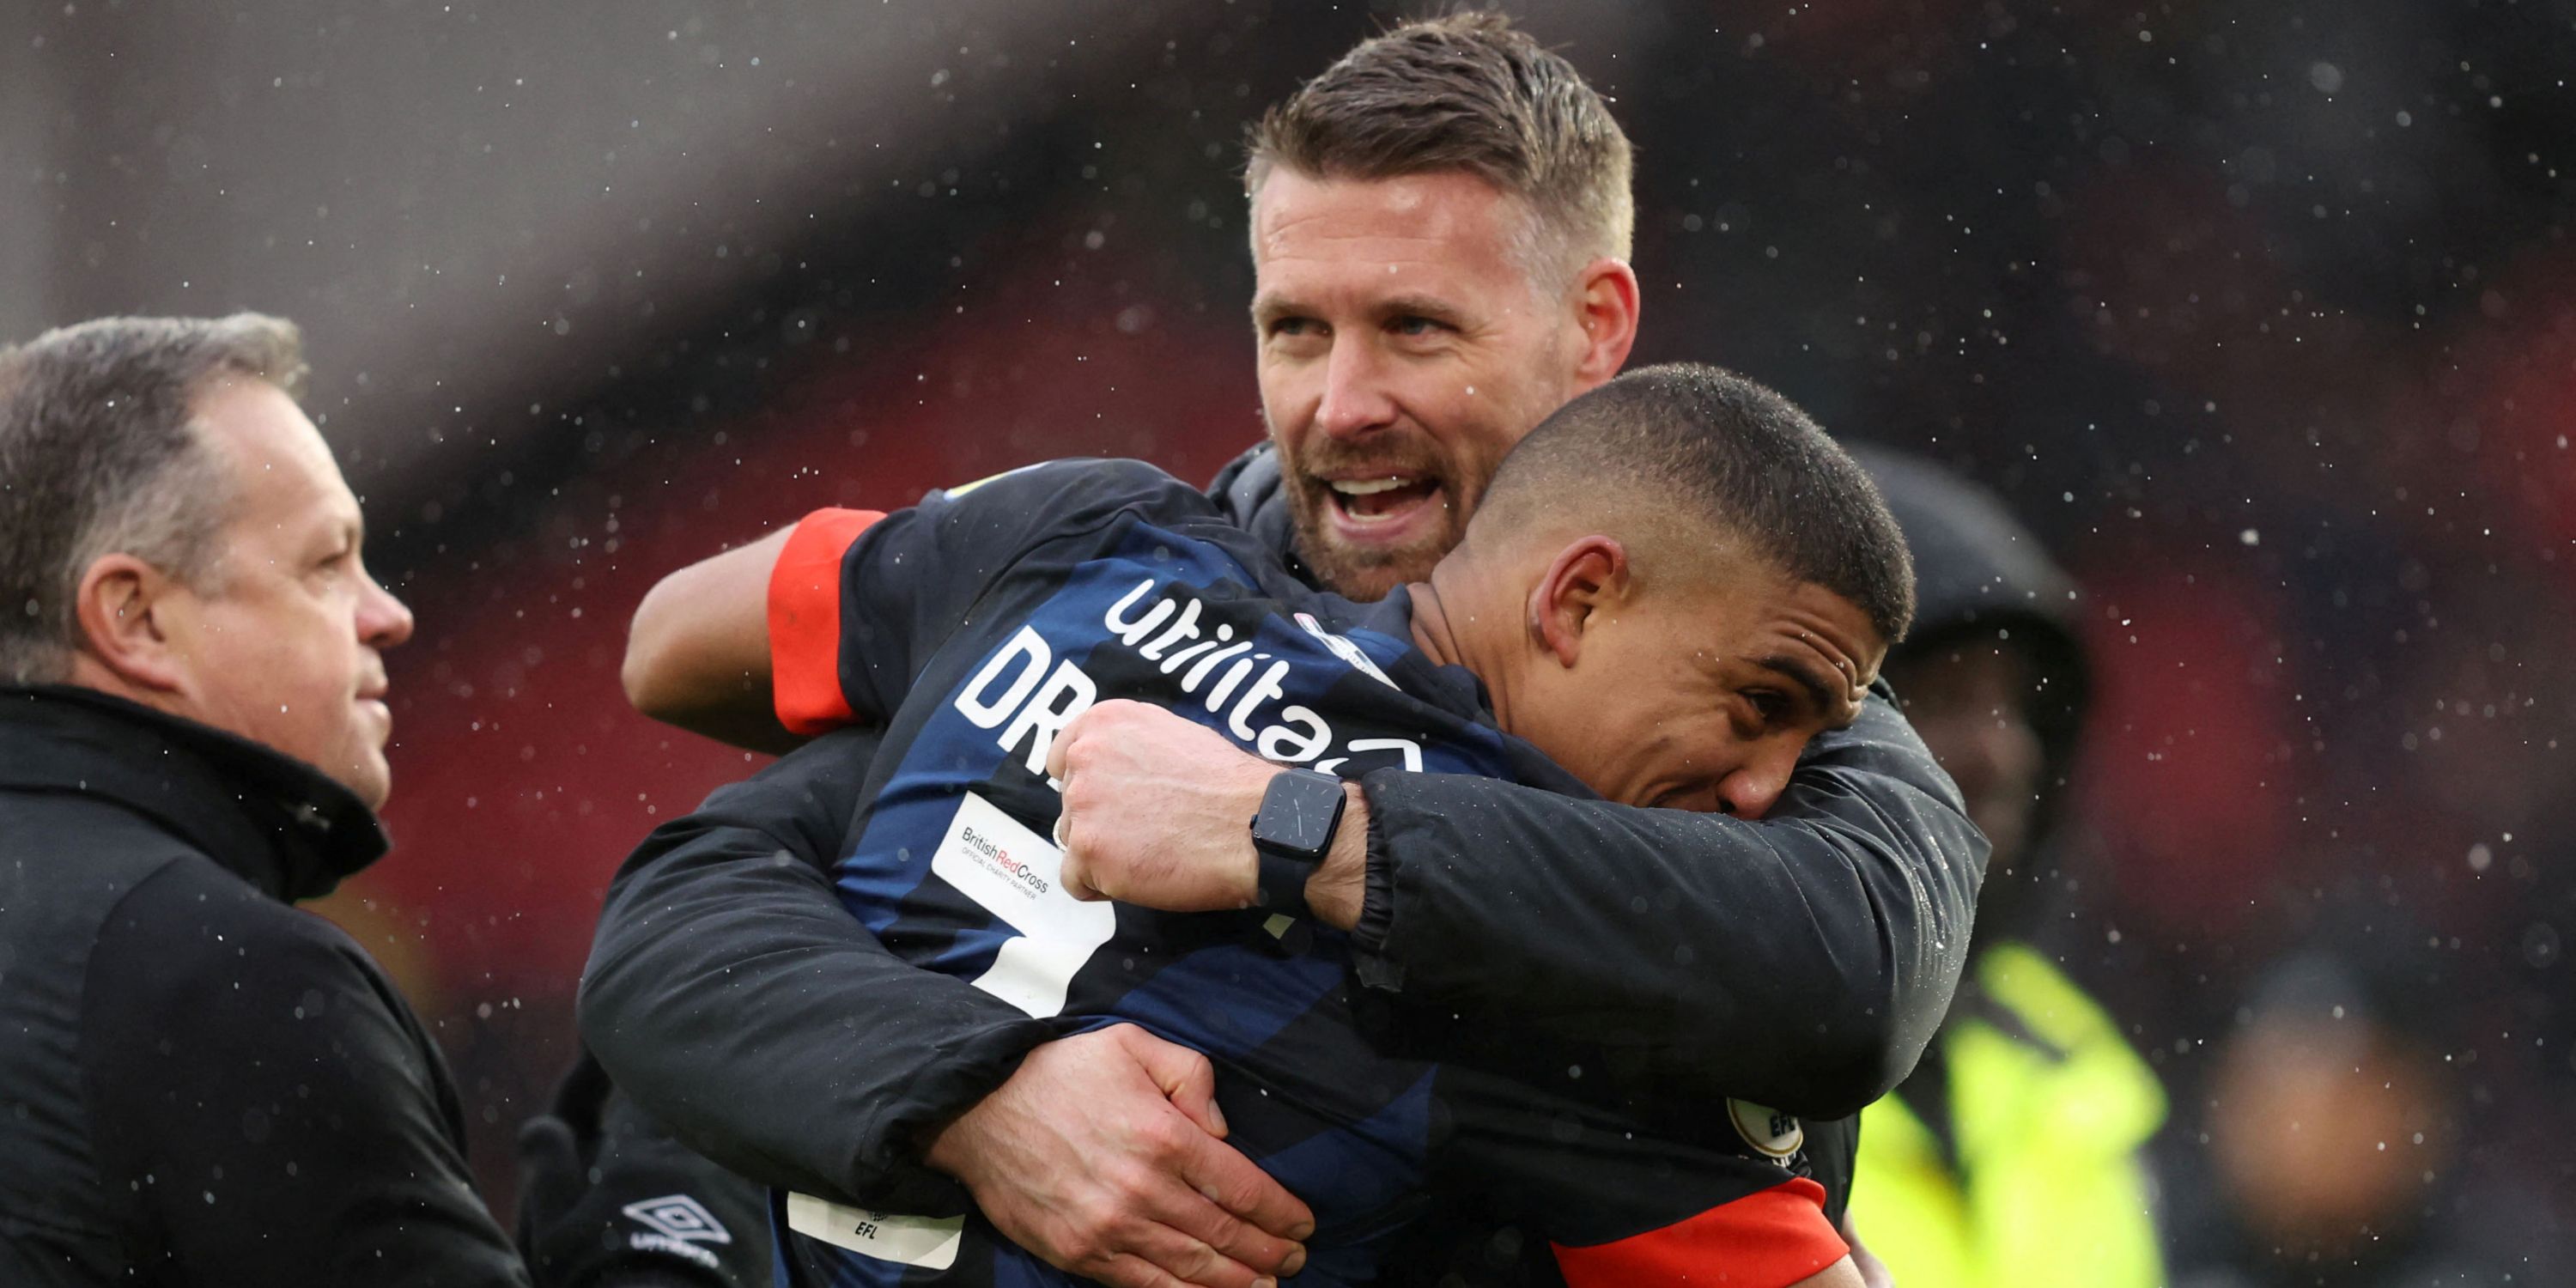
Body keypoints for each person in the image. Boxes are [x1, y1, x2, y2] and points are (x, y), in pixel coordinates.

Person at [588, 15, 1981, 1288]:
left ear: (1595, 328)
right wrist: (979, 1099)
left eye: (1416, 328)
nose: (1341, 403)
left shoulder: (1754, 724)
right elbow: (682, 898)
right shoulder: (1104, 545)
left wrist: (1291, 827)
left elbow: (1849, 966)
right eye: (1293, 330)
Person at [700, 363, 1907, 1287]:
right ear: (1579, 595)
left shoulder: (1094, 537)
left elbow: (664, 647)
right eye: (1764, 706)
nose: (1768, 792)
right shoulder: (1550, 981)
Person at [0, 314, 760, 1288]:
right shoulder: (217, 978)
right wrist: (674, 1208)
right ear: (136, 619)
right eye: (326, 563)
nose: (388, 614)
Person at [1839, 447, 2166, 1287]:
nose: (2008, 750)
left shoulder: (2077, 1072)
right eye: (1945, 696)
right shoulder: (1710, 1061)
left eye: (2021, 707)